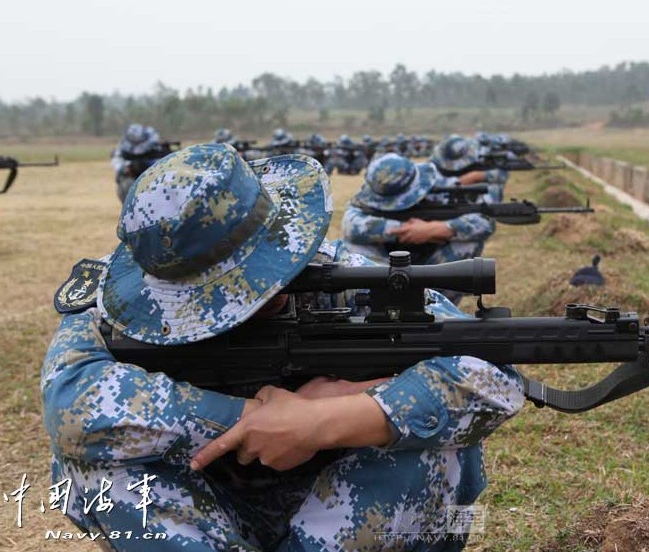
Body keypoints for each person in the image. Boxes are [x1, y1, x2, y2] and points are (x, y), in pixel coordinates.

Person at [42, 143, 523, 551]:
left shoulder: (340, 273)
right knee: (93, 469)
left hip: (339, 509)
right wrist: (255, 417)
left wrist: (326, 420)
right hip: (208, 513)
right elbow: (71, 402)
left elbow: (494, 375)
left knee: (438, 447)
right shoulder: (119, 297)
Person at [342, 153, 496, 303]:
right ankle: (387, 304)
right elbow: (352, 227)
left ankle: (439, 307)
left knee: (466, 242)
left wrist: (441, 228)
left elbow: (485, 222)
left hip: (432, 269)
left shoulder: (433, 185)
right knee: (355, 249)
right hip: (386, 272)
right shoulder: (362, 209)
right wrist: (407, 229)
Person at [430, 135, 509, 203]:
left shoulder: (478, 157)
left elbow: (501, 176)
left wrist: (477, 176)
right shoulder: (432, 168)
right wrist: (466, 179)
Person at [109, 123, 165, 203]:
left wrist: (150, 165)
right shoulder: (121, 150)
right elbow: (118, 165)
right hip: (133, 181)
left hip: (156, 181)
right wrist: (129, 167)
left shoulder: (157, 148)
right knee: (126, 183)